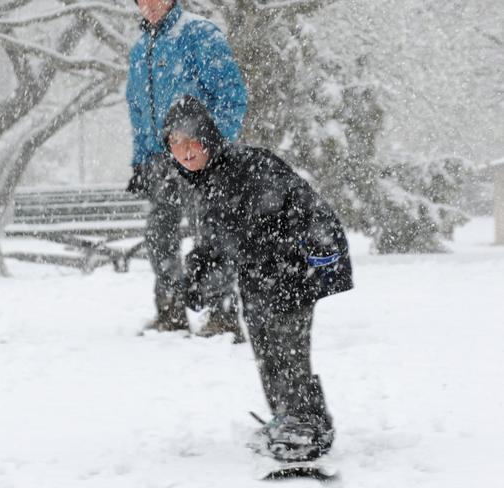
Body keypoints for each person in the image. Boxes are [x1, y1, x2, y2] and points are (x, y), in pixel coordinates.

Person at [163, 95, 353, 461]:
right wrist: (197, 278)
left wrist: (316, 254)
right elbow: (217, 243)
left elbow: (299, 209)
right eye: (175, 144)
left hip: (291, 267)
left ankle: (306, 423)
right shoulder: (207, 182)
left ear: (208, 137)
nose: (185, 151)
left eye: (191, 141)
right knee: (265, 347)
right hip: (258, 273)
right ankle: (286, 416)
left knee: (286, 346)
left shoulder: (245, 166)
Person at [126, 0, 247, 340]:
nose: (149, 4)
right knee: (159, 234)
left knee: (210, 233)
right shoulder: (141, 50)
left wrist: (214, 144)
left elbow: (232, 96)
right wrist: (141, 160)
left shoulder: (199, 34)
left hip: (201, 154)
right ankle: (172, 310)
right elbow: (138, 111)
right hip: (161, 160)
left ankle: (221, 313)